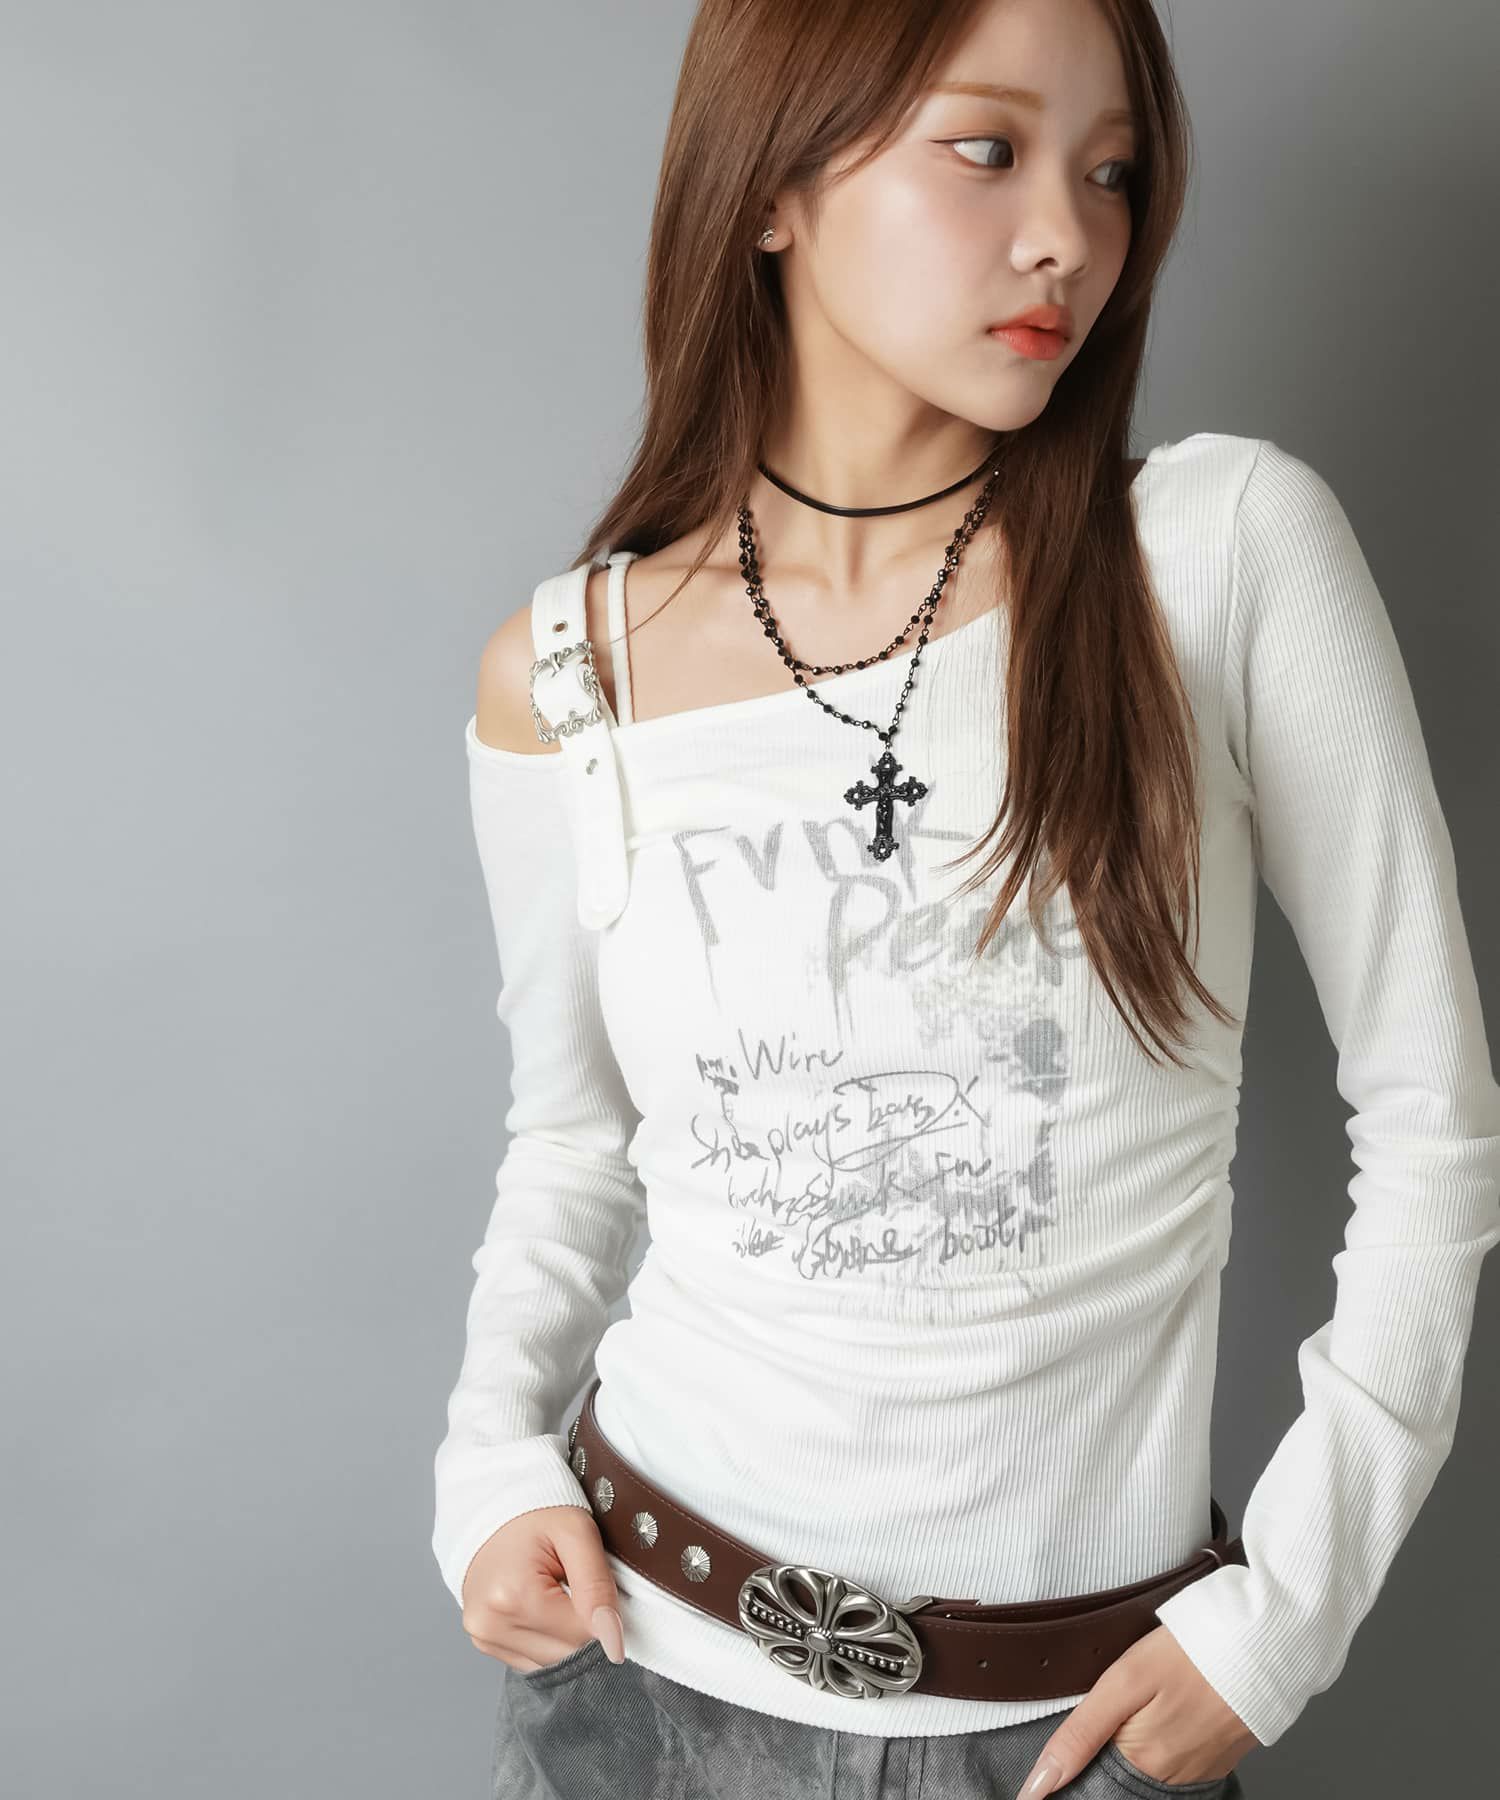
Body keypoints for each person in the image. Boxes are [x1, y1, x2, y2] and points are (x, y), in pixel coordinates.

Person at [432, 1, 1500, 1796]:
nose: (1068, 235)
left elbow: (1437, 1126)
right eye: (987, 150)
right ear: (770, 186)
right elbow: (573, 1141)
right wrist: (488, 1462)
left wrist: (1283, 1616)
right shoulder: (570, 669)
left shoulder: (1218, 553)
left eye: (1114, 174)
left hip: (1069, 1734)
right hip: (636, 1681)